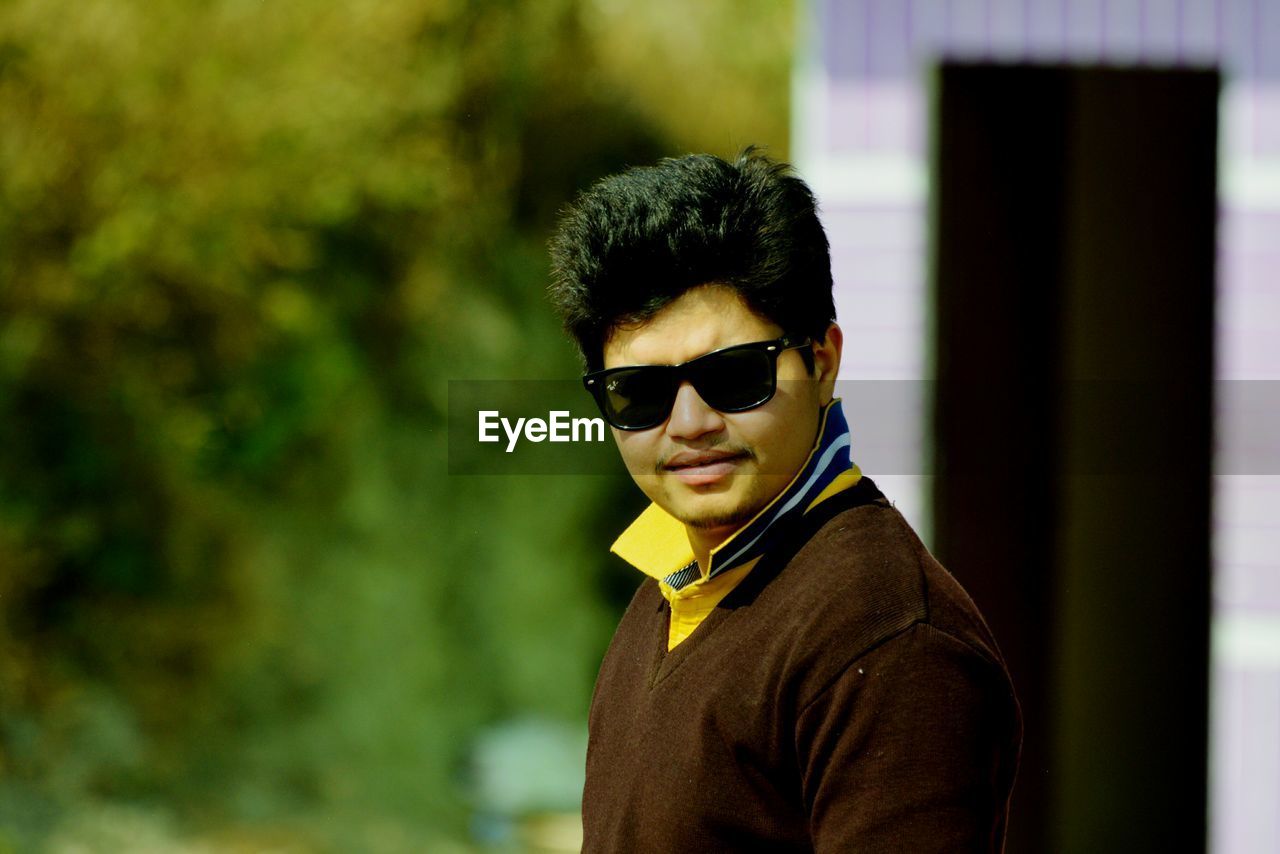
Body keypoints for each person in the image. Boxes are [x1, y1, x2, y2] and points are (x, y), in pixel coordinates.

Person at [547, 149, 1021, 852]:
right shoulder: (674, 581)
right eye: (639, 393)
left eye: (734, 376)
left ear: (822, 363)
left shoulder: (892, 641)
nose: (689, 424)